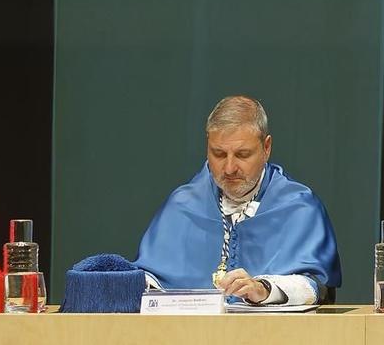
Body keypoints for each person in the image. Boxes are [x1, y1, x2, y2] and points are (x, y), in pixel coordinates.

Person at [136, 95, 340, 305]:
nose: (230, 168)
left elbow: (315, 285)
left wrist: (265, 289)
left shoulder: (300, 207)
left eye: (242, 154)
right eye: (219, 154)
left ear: (266, 148)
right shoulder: (181, 206)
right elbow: (148, 281)